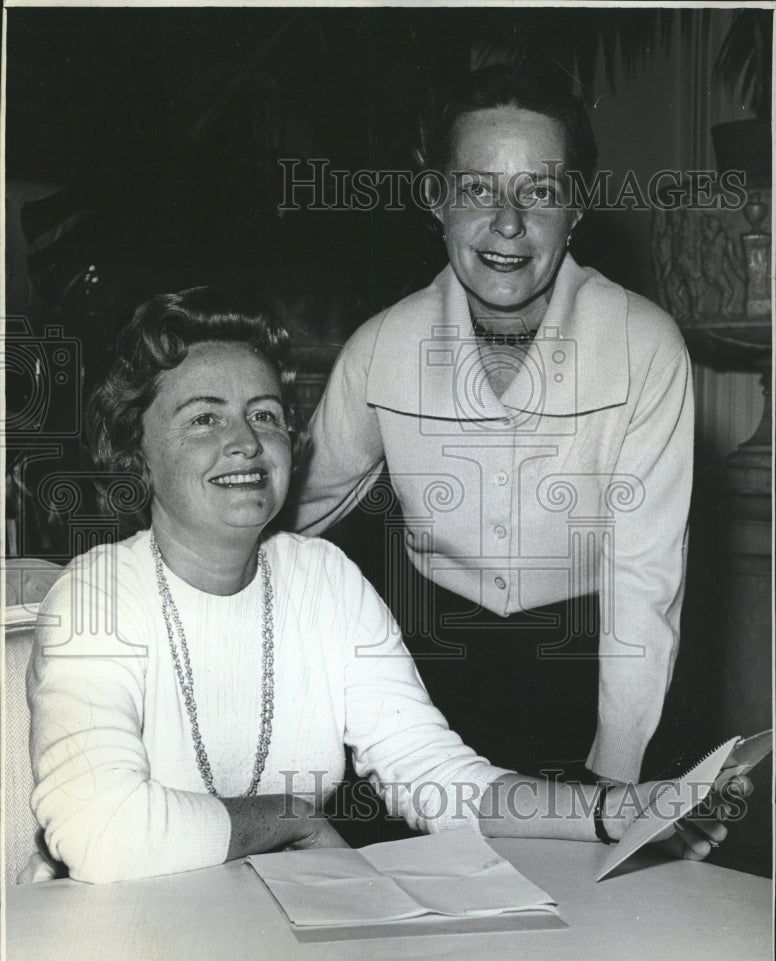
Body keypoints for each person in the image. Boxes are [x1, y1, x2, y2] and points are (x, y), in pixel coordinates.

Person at [25, 286, 745, 886]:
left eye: (265, 416)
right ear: (134, 452)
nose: (244, 441)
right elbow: (102, 834)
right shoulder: (95, 602)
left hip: (290, 928)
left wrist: (612, 813)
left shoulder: (324, 580)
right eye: (203, 418)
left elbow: (436, 776)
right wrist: (293, 818)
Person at [289, 65, 694, 785]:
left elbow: (646, 582)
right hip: (416, 701)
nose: (508, 224)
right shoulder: (381, 345)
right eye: (477, 188)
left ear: (577, 209)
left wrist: (617, 777)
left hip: (587, 684)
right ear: (436, 200)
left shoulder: (647, 344)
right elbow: (288, 516)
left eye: (540, 192)